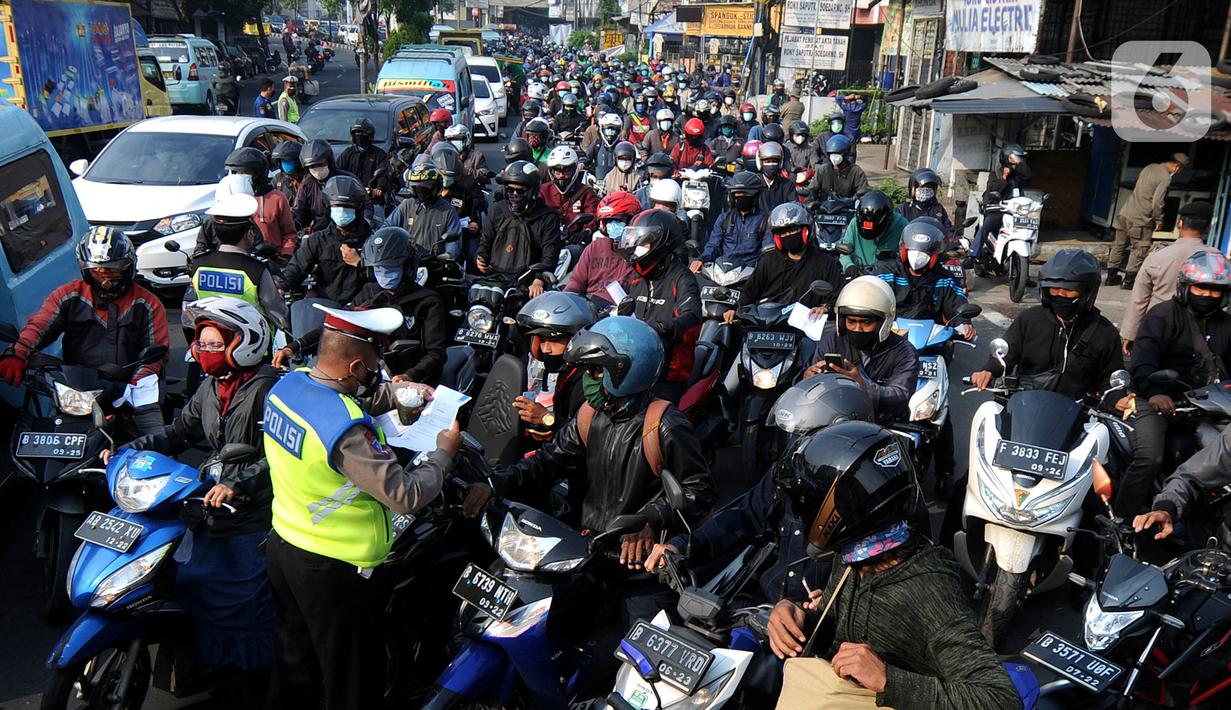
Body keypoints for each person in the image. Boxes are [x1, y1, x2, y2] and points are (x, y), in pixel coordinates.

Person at [264, 305, 462, 710]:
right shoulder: (348, 432)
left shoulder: (288, 387)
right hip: (336, 569)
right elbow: (404, 494)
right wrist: (443, 455)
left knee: (296, 665)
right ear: (355, 366)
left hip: (285, 546)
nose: (379, 373)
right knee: (353, 681)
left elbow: (339, 400)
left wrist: (401, 393)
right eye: (374, 366)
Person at [462, 316, 716, 624]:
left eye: (596, 370)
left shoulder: (664, 424)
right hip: (585, 552)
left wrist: (650, 519)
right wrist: (494, 483)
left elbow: (700, 490)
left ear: (628, 370)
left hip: (640, 568)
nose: (588, 379)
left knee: (635, 659)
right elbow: (546, 461)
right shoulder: (589, 416)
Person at [766, 423, 1019, 710]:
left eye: (807, 508)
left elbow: (1000, 699)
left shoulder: (929, 592)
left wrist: (888, 680)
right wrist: (798, 619)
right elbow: (837, 633)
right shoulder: (854, 559)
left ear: (839, 513)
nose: (802, 518)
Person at [112, 297, 278, 672]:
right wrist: (125, 451)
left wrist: (238, 484)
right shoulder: (212, 386)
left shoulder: (269, 391)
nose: (203, 351)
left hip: (254, 513)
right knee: (187, 580)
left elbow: (279, 456)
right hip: (210, 501)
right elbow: (177, 432)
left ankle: (251, 677)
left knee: (243, 603)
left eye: (214, 344)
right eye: (200, 343)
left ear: (244, 343)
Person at [0, 227, 169, 433]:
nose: (105, 279)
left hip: (129, 390)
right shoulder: (68, 295)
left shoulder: (148, 303)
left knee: (155, 446)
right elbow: (38, 327)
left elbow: (156, 354)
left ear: (128, 267)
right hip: (78, 391)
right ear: (86, 270)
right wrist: (17, 354)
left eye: (113, 270)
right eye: (97, 271)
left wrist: (134, 384)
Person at [1122, 251, 1231, 516]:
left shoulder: (1226, 324)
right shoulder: (1162, 315)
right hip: (1164, 401)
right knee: (1150, 457)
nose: (1207, 295)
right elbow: (1143, 359)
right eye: (1200, 287)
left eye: (1215, 291)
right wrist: (1156, 392)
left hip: (1211, 404)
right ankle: (1122, 521)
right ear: (1185, 286)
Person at [873, 218, 974, 489]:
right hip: (888, 347)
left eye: (926, 253)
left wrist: (964, 324)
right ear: (903, 249)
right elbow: (872, 296)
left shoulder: (944, 278)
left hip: (930, 350)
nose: (919, 257)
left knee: (939, 410)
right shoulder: (885, 271)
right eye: (914, 250)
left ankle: (945, 471)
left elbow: (958, 306)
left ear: (935, 255)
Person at [276, 227, 449, 386]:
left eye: (390, 269)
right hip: (371, 379)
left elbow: (435, 353)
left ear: (408, 266)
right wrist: (295, 346)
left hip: (414, 383)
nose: (384, 274)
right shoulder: (370, 294)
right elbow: (338, 324)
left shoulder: (428, 302)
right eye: (379, 269)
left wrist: (410, 376)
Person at [802, 276, 918, 423]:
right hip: (836, 420)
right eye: (851, 322)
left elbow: (900, 395)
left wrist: (862, 386)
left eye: (865, 322)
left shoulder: (904, 351)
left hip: (882, 426)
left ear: (883, 323)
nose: (857, 329)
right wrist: (808, 377)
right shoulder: (832, 341)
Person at [615, 209, 702, 402]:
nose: (636, 250)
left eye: (643, 244)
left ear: (660, 244)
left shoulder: (682, 278)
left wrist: (665, 327)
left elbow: (693, 318)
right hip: (636, 367)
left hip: (668, 375)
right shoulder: (638, 279)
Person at [1120, 200, 1217, 355]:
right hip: (1200, 333)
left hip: (1156, 327)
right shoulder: (1216, 260)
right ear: (1209, 227)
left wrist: (1130, 335)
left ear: (1179, 223)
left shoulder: (1157, 257)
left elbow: (1139, 299)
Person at [187, 188, 290, 332]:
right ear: (248, 234)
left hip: (210, 337)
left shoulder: (198, 264)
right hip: (254, 343)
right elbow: (277, 313)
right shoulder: (256, 269)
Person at [728, 202, 842, 319]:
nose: (787, 235)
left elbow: (837, 297)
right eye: (782, 233)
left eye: (792, 231)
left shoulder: (826, 263)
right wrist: (735, 308)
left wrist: (824, 308)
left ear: (806, 231)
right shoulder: (768, 261)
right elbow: (749, 292)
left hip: (804, 327)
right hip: (767, 324)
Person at [509, 291, 597, 443]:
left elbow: (584, 440)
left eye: (554, 340)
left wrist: (546, 418)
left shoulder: (589, 380)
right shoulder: (568, 370)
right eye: (542, 340)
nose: (546, 349)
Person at [280, 176, 371, 304]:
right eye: (337, 206)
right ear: (329, 206)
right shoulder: (318, 240)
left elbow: (382, 278)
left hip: (360, 309)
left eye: (347, 206)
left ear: (357, 208)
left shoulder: (370, 240)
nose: (342, 210)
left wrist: (360, 263)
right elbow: (297, 267)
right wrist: (281, 287)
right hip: (326, 308)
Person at [477, 160, 561, 297]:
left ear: (532, 191)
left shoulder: (547, 217)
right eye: (510, 190)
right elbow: (485, 240)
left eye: (520, 191)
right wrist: (481, 257)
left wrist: (539, 280)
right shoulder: (498, 210)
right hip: (496, 277)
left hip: (528, 282)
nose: (514, 194)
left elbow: (549, 256)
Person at [1107, 153, 1190, 288]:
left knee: (1118, 245)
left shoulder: (1149, 167)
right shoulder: (1165, 178)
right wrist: (1159, 220)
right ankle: (1128, 281)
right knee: (1139, 248)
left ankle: (1111, 277)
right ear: (1177, 167)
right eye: (1181, 170)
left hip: (1125, 212)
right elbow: (1158, 201)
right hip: (1141, 218)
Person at [565, 191, 638, 303]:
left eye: (617, 220)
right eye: (608, 221)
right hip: (589, 308)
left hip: (621, 312)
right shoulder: (595, 247)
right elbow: (575, 283)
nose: (612, 225)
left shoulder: (639, 253)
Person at [226, 147, 298, 259]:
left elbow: (290, 234)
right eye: (236, 173)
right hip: (240, 260)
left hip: (271, 260)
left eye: (244, 173)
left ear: (258, 173)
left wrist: (285, 255)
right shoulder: (231, 198)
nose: (239, 177)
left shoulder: (277, 198)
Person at [382, 162, 462, 260]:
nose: (421, 193)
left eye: (424, 189)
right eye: (416, 189)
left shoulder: (448, 210)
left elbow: (454, 239)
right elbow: (387, 227)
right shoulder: (407, 205)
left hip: (434, 263)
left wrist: (449, 254)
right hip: (406, 260)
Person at [968, 143, 1032, 264]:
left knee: (1027, 233)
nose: (1018, 160)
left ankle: (1025, 273)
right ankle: (972, 255)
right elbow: (993, 190)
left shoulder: (1018, 175)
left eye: (1019, 158)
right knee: (985, 227)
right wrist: (1004, 177)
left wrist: (1019, 164)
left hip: (1015, 212)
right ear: (1006, 158)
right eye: (1015, 158)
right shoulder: (996, 173)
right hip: (997, 210)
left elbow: (1029, 175)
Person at [693, 170, 769, 270]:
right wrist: (702, 259)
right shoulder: (725, 218)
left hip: (751, 273)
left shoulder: (765, 220)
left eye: (745, 194)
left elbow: (768, 250)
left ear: (755, 196)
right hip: (724, 270)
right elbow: (714, 245)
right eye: (737, 194)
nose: (741, 197)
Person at [433, 142, 488, 265]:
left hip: (460, 231)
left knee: (474, 260)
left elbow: (477, 203)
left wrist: (474, 221)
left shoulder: (466, 184)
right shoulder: (429, 187)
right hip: (434, 230)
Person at [294, 138, 359, 233]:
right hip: (319, 234)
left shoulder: (347, 179)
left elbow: (365, 206)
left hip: (350, 232)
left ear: (329, 161)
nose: (317, 169)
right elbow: (299, 212)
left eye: (320, 164)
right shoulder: (307, 183)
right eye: (312, 167)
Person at [839, 190, 909, 272]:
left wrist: (896, 257)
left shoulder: (902, 226)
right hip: (860, 277)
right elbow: (844, 253)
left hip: (892, 276)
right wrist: (849, 266)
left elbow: (911, 254)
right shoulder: (854, 224)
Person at [542, 145, 600, 233]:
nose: (561, 175)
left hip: (574, 240)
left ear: (574, 170)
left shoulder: (586, 193)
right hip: (547, 239)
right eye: (557, 171)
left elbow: (593, 216)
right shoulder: (543, 191)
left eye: (566, 171)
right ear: (551, 172)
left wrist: (586, 231)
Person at [896, 168, 954, 237]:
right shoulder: (903, 209)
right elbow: (895, 231)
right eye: (922, 187)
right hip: (910, 246)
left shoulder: (938, 209)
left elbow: (948, 230)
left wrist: (956, 239)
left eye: (929, 187)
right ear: (913, 189)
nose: (926, 190)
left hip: (933, 246)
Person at [337, 117, 388, 190]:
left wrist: (379, 188)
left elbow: (383, 173)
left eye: (363, 132)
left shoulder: (379, 154)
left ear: (370, 135)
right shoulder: (348, 153)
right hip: (350, 193)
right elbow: (338, 171)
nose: (360, 135)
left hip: (371, 195)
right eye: (357, 132)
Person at [811, 135, 868, 200]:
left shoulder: (856, 171)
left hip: (846, 208)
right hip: (824, 207)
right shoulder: (822, 170)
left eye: (837, 154)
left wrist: (851, 200)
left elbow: (863, 192)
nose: (834, 157)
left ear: (845, 153)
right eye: (831, 154)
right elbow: (812, 189)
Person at [756, 142, 798, 214]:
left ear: (780, 163)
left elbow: (794, 206)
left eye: (774, 161)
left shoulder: (787, 185)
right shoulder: (754, 184)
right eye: (767, 161)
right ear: (760, 163)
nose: (771, 165)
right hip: (758, 223)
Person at [586, 112, 624, 180]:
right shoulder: (597, 144)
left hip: (617, 181)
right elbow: (587, 157)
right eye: (607, 129)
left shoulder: (623, 146)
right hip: (598, 181)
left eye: (613, 130)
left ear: (619, 131)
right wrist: (582, 163)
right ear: (602, 129)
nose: (610, 133)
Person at [271, 139, 304, 205]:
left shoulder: (307, 180)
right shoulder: (278, 178)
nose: (285, 163)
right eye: (283, 160)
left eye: (288, 160)